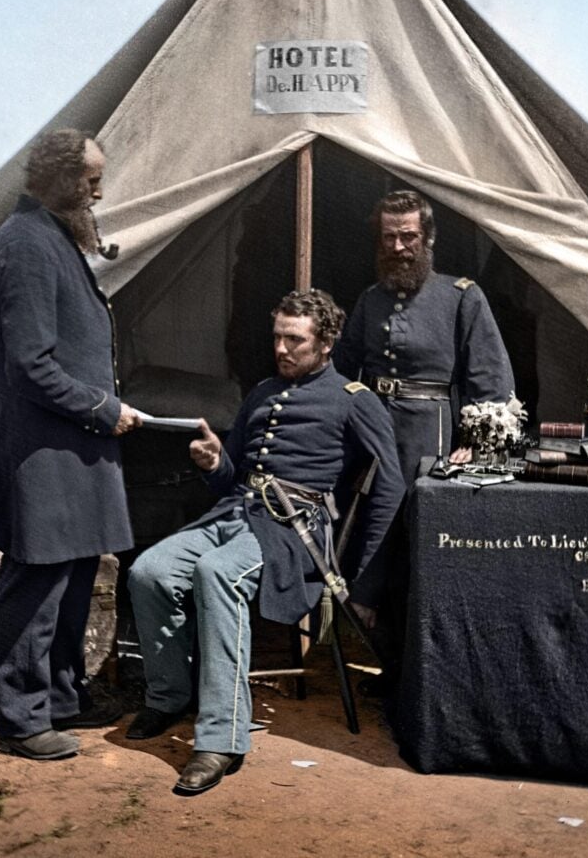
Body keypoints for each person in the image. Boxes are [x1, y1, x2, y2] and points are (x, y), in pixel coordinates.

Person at [127, 289, 405, 795]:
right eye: (277, 336)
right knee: (149, 571)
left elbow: (389, 488)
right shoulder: (260, 392)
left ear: (325, 346)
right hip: (234, 514)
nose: (281, 348)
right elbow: (232, 475)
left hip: (293, 530)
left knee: (216, 574)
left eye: (293, 340)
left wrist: (367, 582)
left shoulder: (354, 401)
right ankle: (169, 697)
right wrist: (215, 463)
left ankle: (221, 737)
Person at [0, 128, 142, 761]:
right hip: (45, 449)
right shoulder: (27, 244)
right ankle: (23, 719)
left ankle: (63, 696)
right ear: (59, 179)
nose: (98, 189)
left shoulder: (50, 236)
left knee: (76, 576)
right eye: (90, 179)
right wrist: (102, 408)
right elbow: (30, 367)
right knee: (35, 584)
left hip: (71, 447)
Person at [332, 190, 515, 486]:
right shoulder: (370, 300)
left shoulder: (462, 297)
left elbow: (491, 377)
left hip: (432, 433)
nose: (397, 246)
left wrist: (474, 443)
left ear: (428, 238)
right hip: (374, 430)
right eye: (389, 237)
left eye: (408, 236)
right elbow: (343, 368)